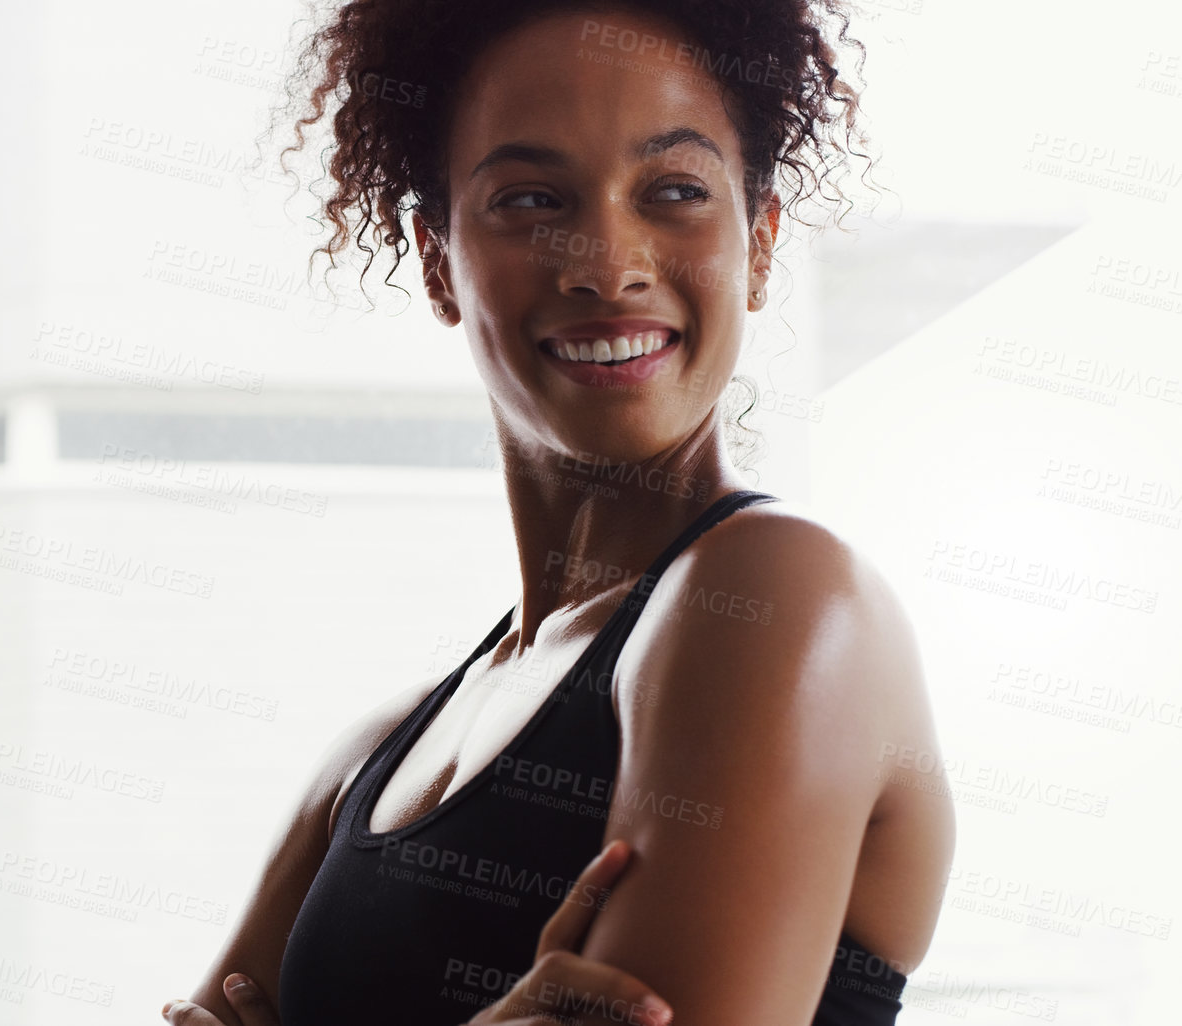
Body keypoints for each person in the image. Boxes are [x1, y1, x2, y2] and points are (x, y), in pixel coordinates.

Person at [163, 2, 955, 1024]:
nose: (607, 262)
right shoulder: (372, 757)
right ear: (439, 261)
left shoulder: (774, 598)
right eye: (531, 199)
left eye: (674, 191)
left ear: (758, 243)